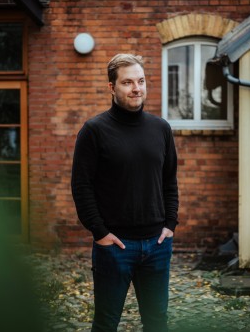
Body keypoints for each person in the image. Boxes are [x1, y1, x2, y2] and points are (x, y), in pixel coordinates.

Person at [71, 53, 179, 332]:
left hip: (157, 245)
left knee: (157, 323)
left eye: (141, 81)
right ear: (112, 87)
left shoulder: (161, 129)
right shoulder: (94, 131)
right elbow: (81, 187)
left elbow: (169, 181)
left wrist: (170, 225)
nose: (136, 88)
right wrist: (99, 232)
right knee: (106, 324)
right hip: (114, 247)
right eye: (128, 82)